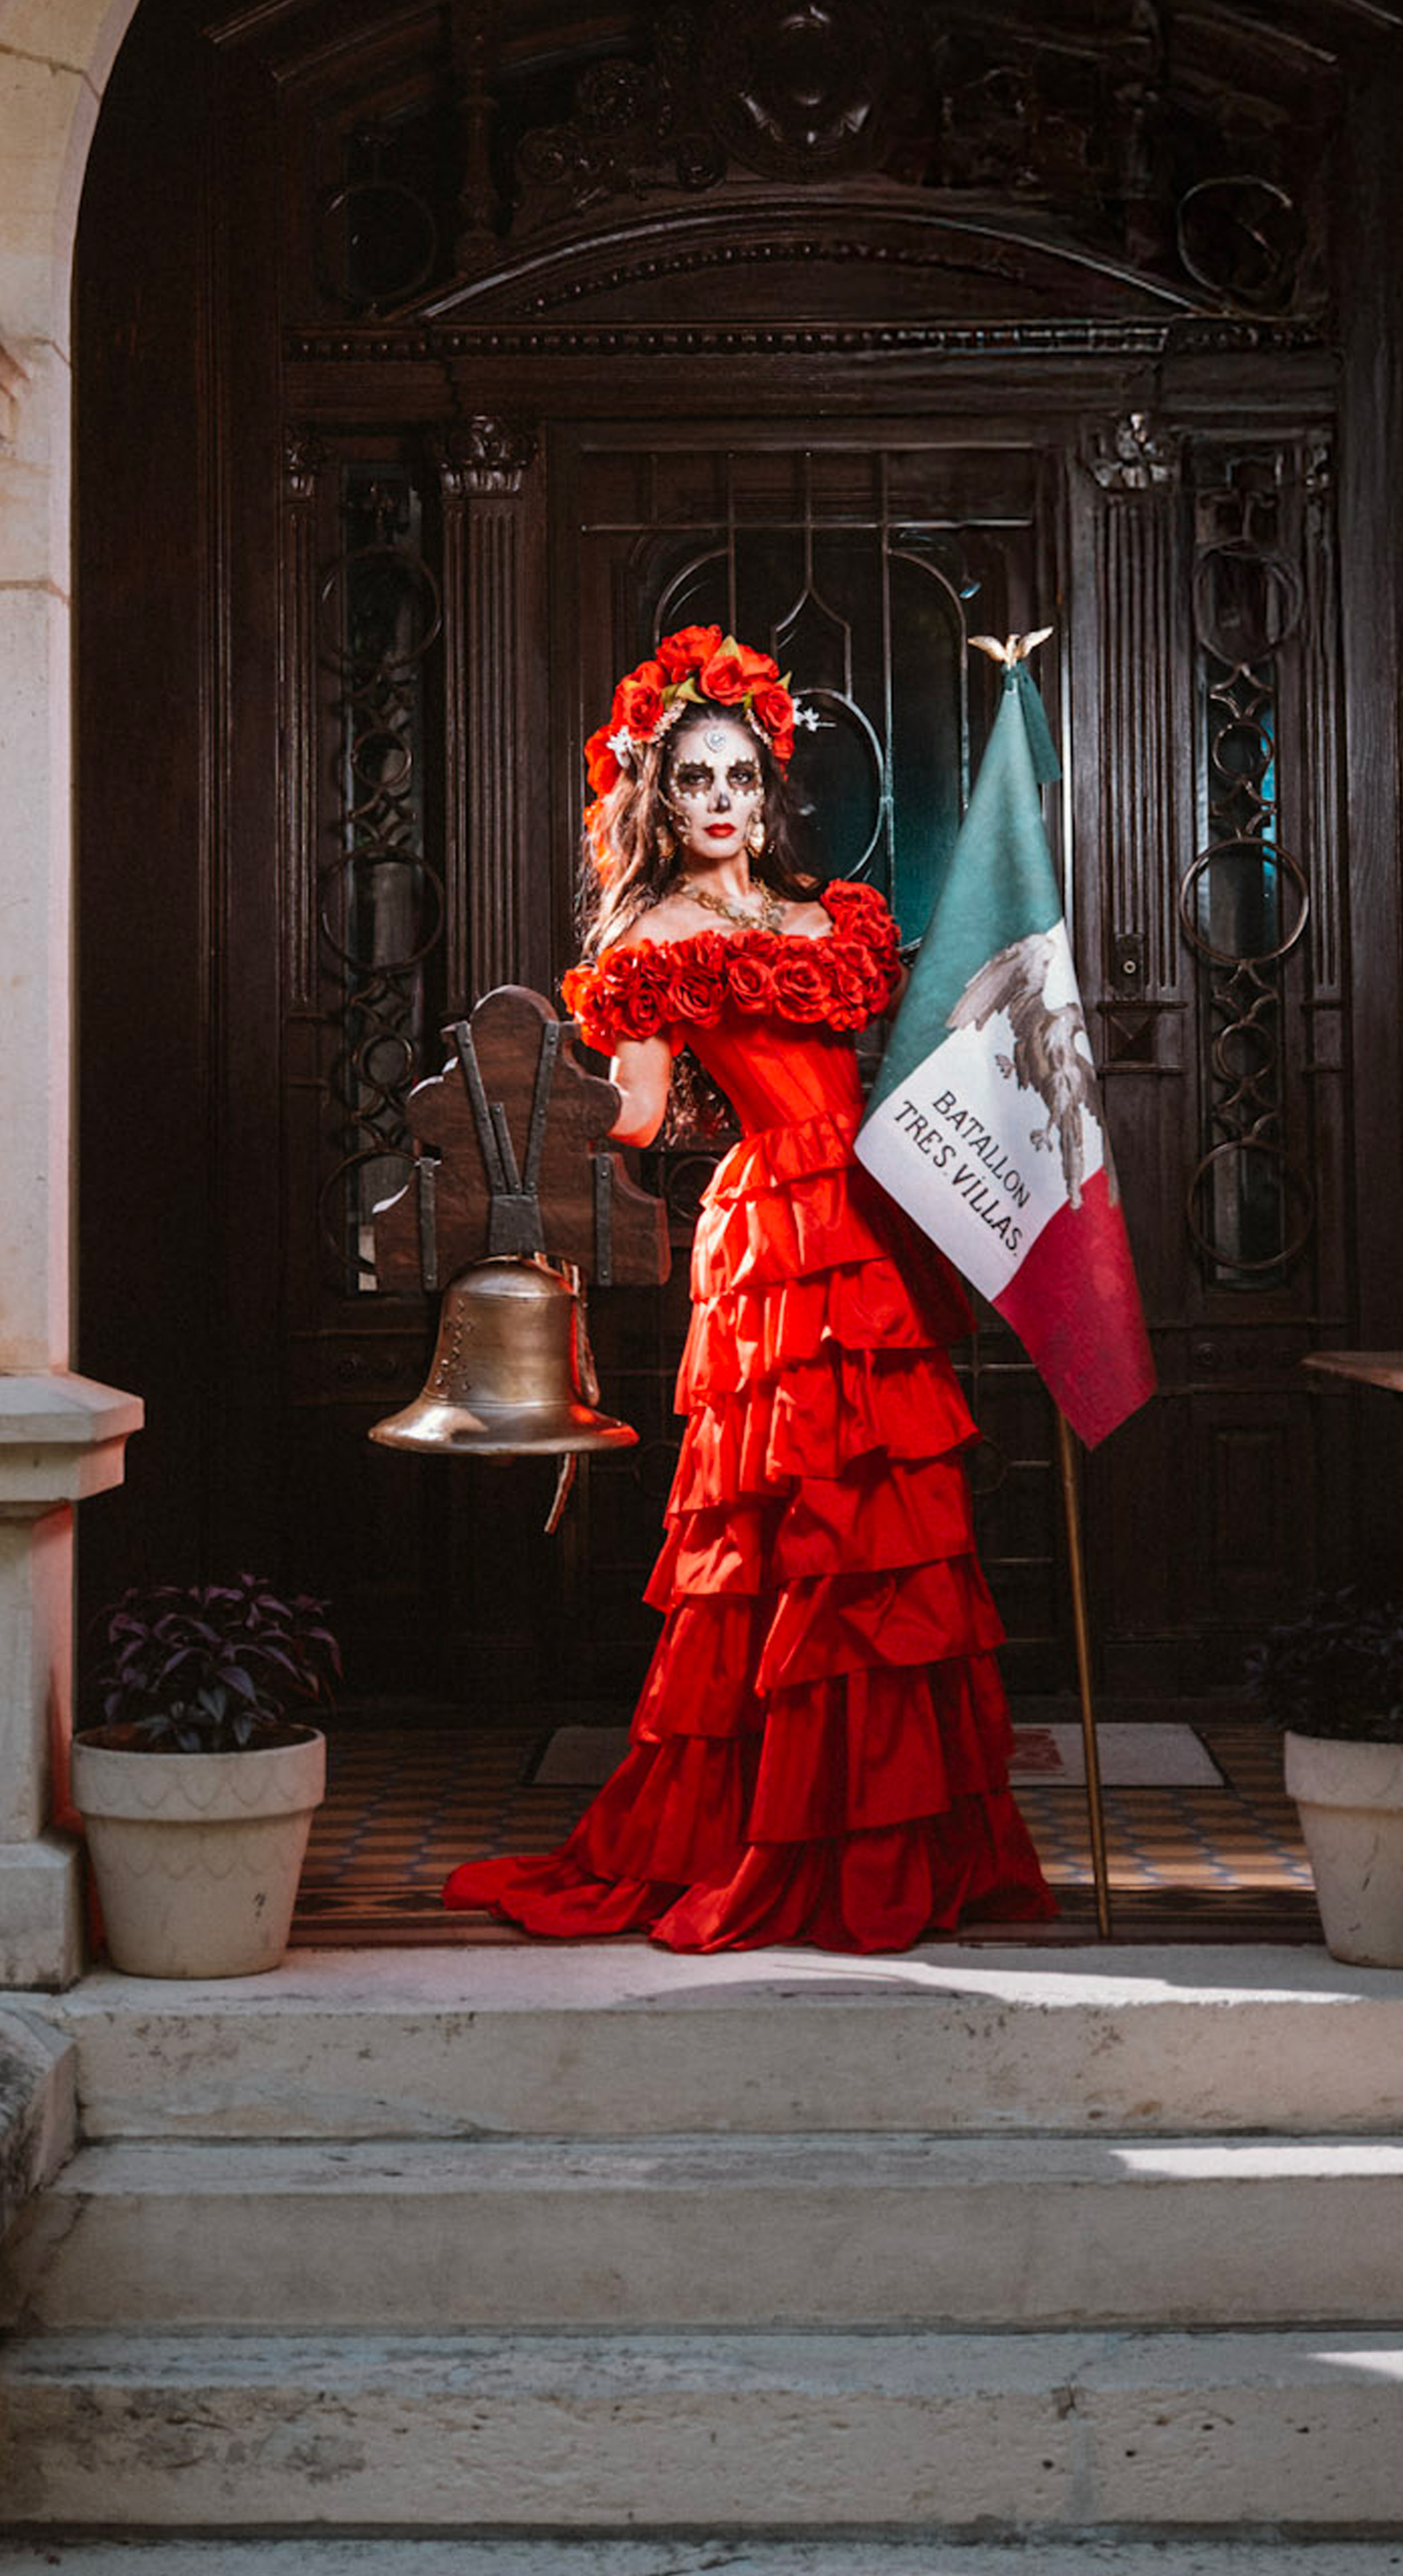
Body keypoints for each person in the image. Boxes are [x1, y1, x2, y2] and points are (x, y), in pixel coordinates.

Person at [442, 624, 1058, 1953]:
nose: (718, 800)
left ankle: (897, 1839)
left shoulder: (827, 913)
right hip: (773, 1232)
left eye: (737, 777)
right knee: (785, 1533)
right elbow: (641, 1113)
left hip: (874, 1213)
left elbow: (903, 1056)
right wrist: (522, 1105)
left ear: (767, 790)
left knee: (892, 1530)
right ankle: (769, 1834)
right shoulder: (652, 937)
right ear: (657, 801)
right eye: (693, 781)